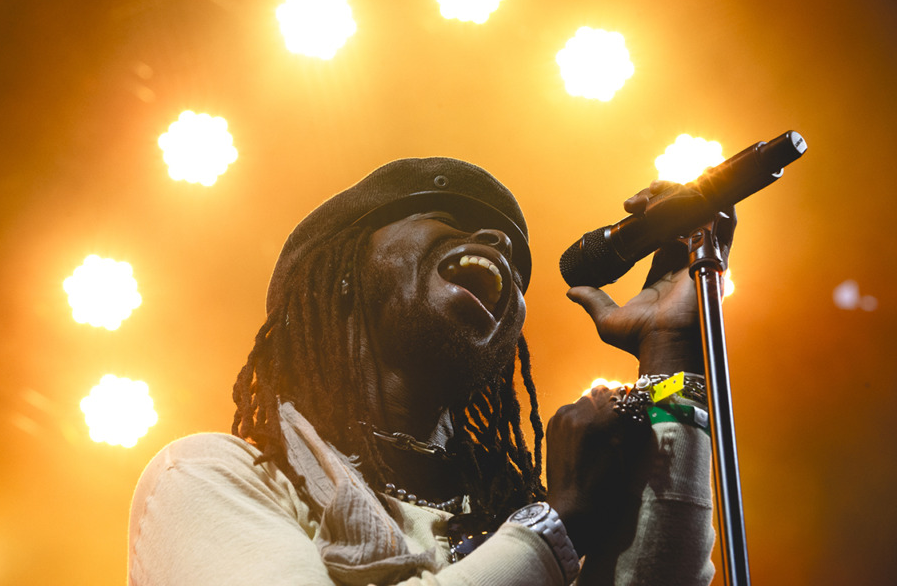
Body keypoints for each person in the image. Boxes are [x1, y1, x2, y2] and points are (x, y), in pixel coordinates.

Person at [127, 157, 718, 585]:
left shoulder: (518, 508)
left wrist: (673, 353)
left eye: (511, 250)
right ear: (343, 271)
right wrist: (550, 531)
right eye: (447, 214)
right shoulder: (207, 477)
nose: (495, 241)